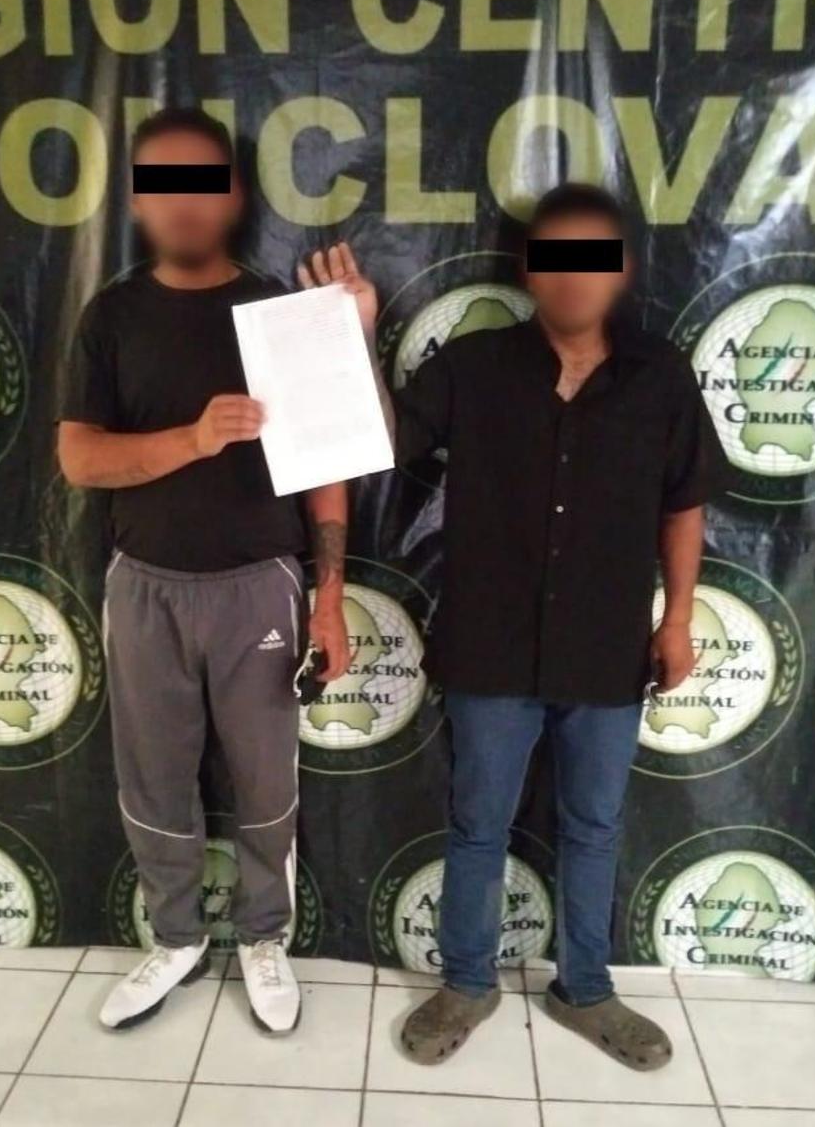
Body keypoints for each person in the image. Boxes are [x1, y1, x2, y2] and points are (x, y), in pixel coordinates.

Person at [298, 183, 728, 1070]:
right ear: (530, 267)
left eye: (592, 257)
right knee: (478, 826)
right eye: (556, 255)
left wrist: (679, 618)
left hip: (608, 651)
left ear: (621, 269)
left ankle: (587, 990)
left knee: (594, 828)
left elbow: (684, 504)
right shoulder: (477, 364)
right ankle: (466, 983)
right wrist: (355, 332)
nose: (573, 275)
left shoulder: (660, 376)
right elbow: (379, 439)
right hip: (489, 647)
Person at [59, 107, 350, 1034]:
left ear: (231, 195)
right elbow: (79, 459)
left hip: (259, 583)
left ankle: (264, 937)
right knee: (153, 779)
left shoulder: (279, 314)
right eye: (163, 183)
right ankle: (176, 937)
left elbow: (329, 466)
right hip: (145, 585)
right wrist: (191, 438)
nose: (183, 203)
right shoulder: (111, 316)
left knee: (265, 782)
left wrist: (331, 598)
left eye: (201, 182)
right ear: (138, 201)